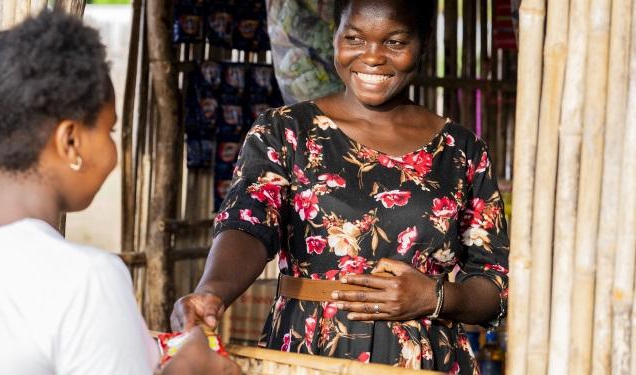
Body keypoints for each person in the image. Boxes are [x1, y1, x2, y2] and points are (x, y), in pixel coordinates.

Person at [171, 0, 509, 372]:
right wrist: (211, 292)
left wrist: (436, 298)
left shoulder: (460, 149)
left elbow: (494, 284)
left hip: (426, 361)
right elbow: (247, 225)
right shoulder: (285, 131)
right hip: (308, 353)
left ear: (423, 42)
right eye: (355, 38)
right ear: (335, 37)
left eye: (395, 42)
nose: (373, 57)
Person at [0, 10, 238, 375]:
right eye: (108, 130)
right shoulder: (87, 280)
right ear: (70, 141)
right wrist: (190, 368)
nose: (112, 152)